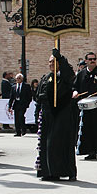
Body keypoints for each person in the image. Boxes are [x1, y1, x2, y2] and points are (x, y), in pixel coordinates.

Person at [35, 49, 78, 181]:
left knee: (60, 142)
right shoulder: (46, 78)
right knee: (47, 144)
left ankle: (66, 171)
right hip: (48, 114)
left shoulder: (64, 76)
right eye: (49, 62)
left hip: (62, 114)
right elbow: (38, 95)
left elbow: (70, 75)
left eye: (54, 62)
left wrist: (61, 57)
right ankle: (49, 172)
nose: (51, 64)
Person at [72, 52, 97, 160]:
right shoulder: (81, 74)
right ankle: (91, 152)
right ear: (86, 61)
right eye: (90, 59)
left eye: (94, 59)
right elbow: (75, 87)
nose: (92, 61)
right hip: (86, 108)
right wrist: (75, 92)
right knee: (88, 130)